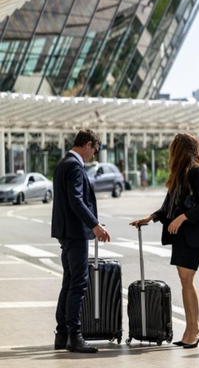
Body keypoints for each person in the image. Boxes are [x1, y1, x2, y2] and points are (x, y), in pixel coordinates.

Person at [129, 132, 199, 348]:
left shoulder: (196, 171)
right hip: (182, 234)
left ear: (179, 149)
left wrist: (182, 217)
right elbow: (169, 205)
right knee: (185, 281)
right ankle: (190, 329)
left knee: (187, 281)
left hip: (193, 233)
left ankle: (195, 330)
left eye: (173, 146)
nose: (171, 150)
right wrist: (150, 217)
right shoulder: (180, 173)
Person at [51, 129, 111, 353]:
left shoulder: (63, 163)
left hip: (65, 231)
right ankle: (75, 337)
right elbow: (76, 200)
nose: (93, 155)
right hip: (75, 232)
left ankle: (62, 335)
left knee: (68, 282)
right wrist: (95, 225)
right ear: (87, 144)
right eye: (94, 150)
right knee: (78, 283)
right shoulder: (75, 166)